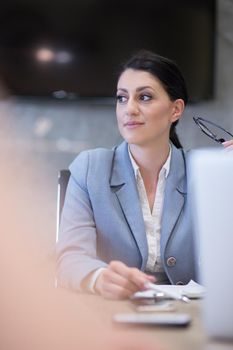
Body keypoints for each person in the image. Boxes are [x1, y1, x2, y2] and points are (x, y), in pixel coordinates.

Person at [56, 49, 233, 300]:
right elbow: (69, 259)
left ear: (175, 110)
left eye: (145, 97)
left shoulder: (207, 172)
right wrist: (98, 278)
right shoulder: (89, 168)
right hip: (112, 313)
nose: (129, 109)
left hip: (196, 316)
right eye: (121, 98)